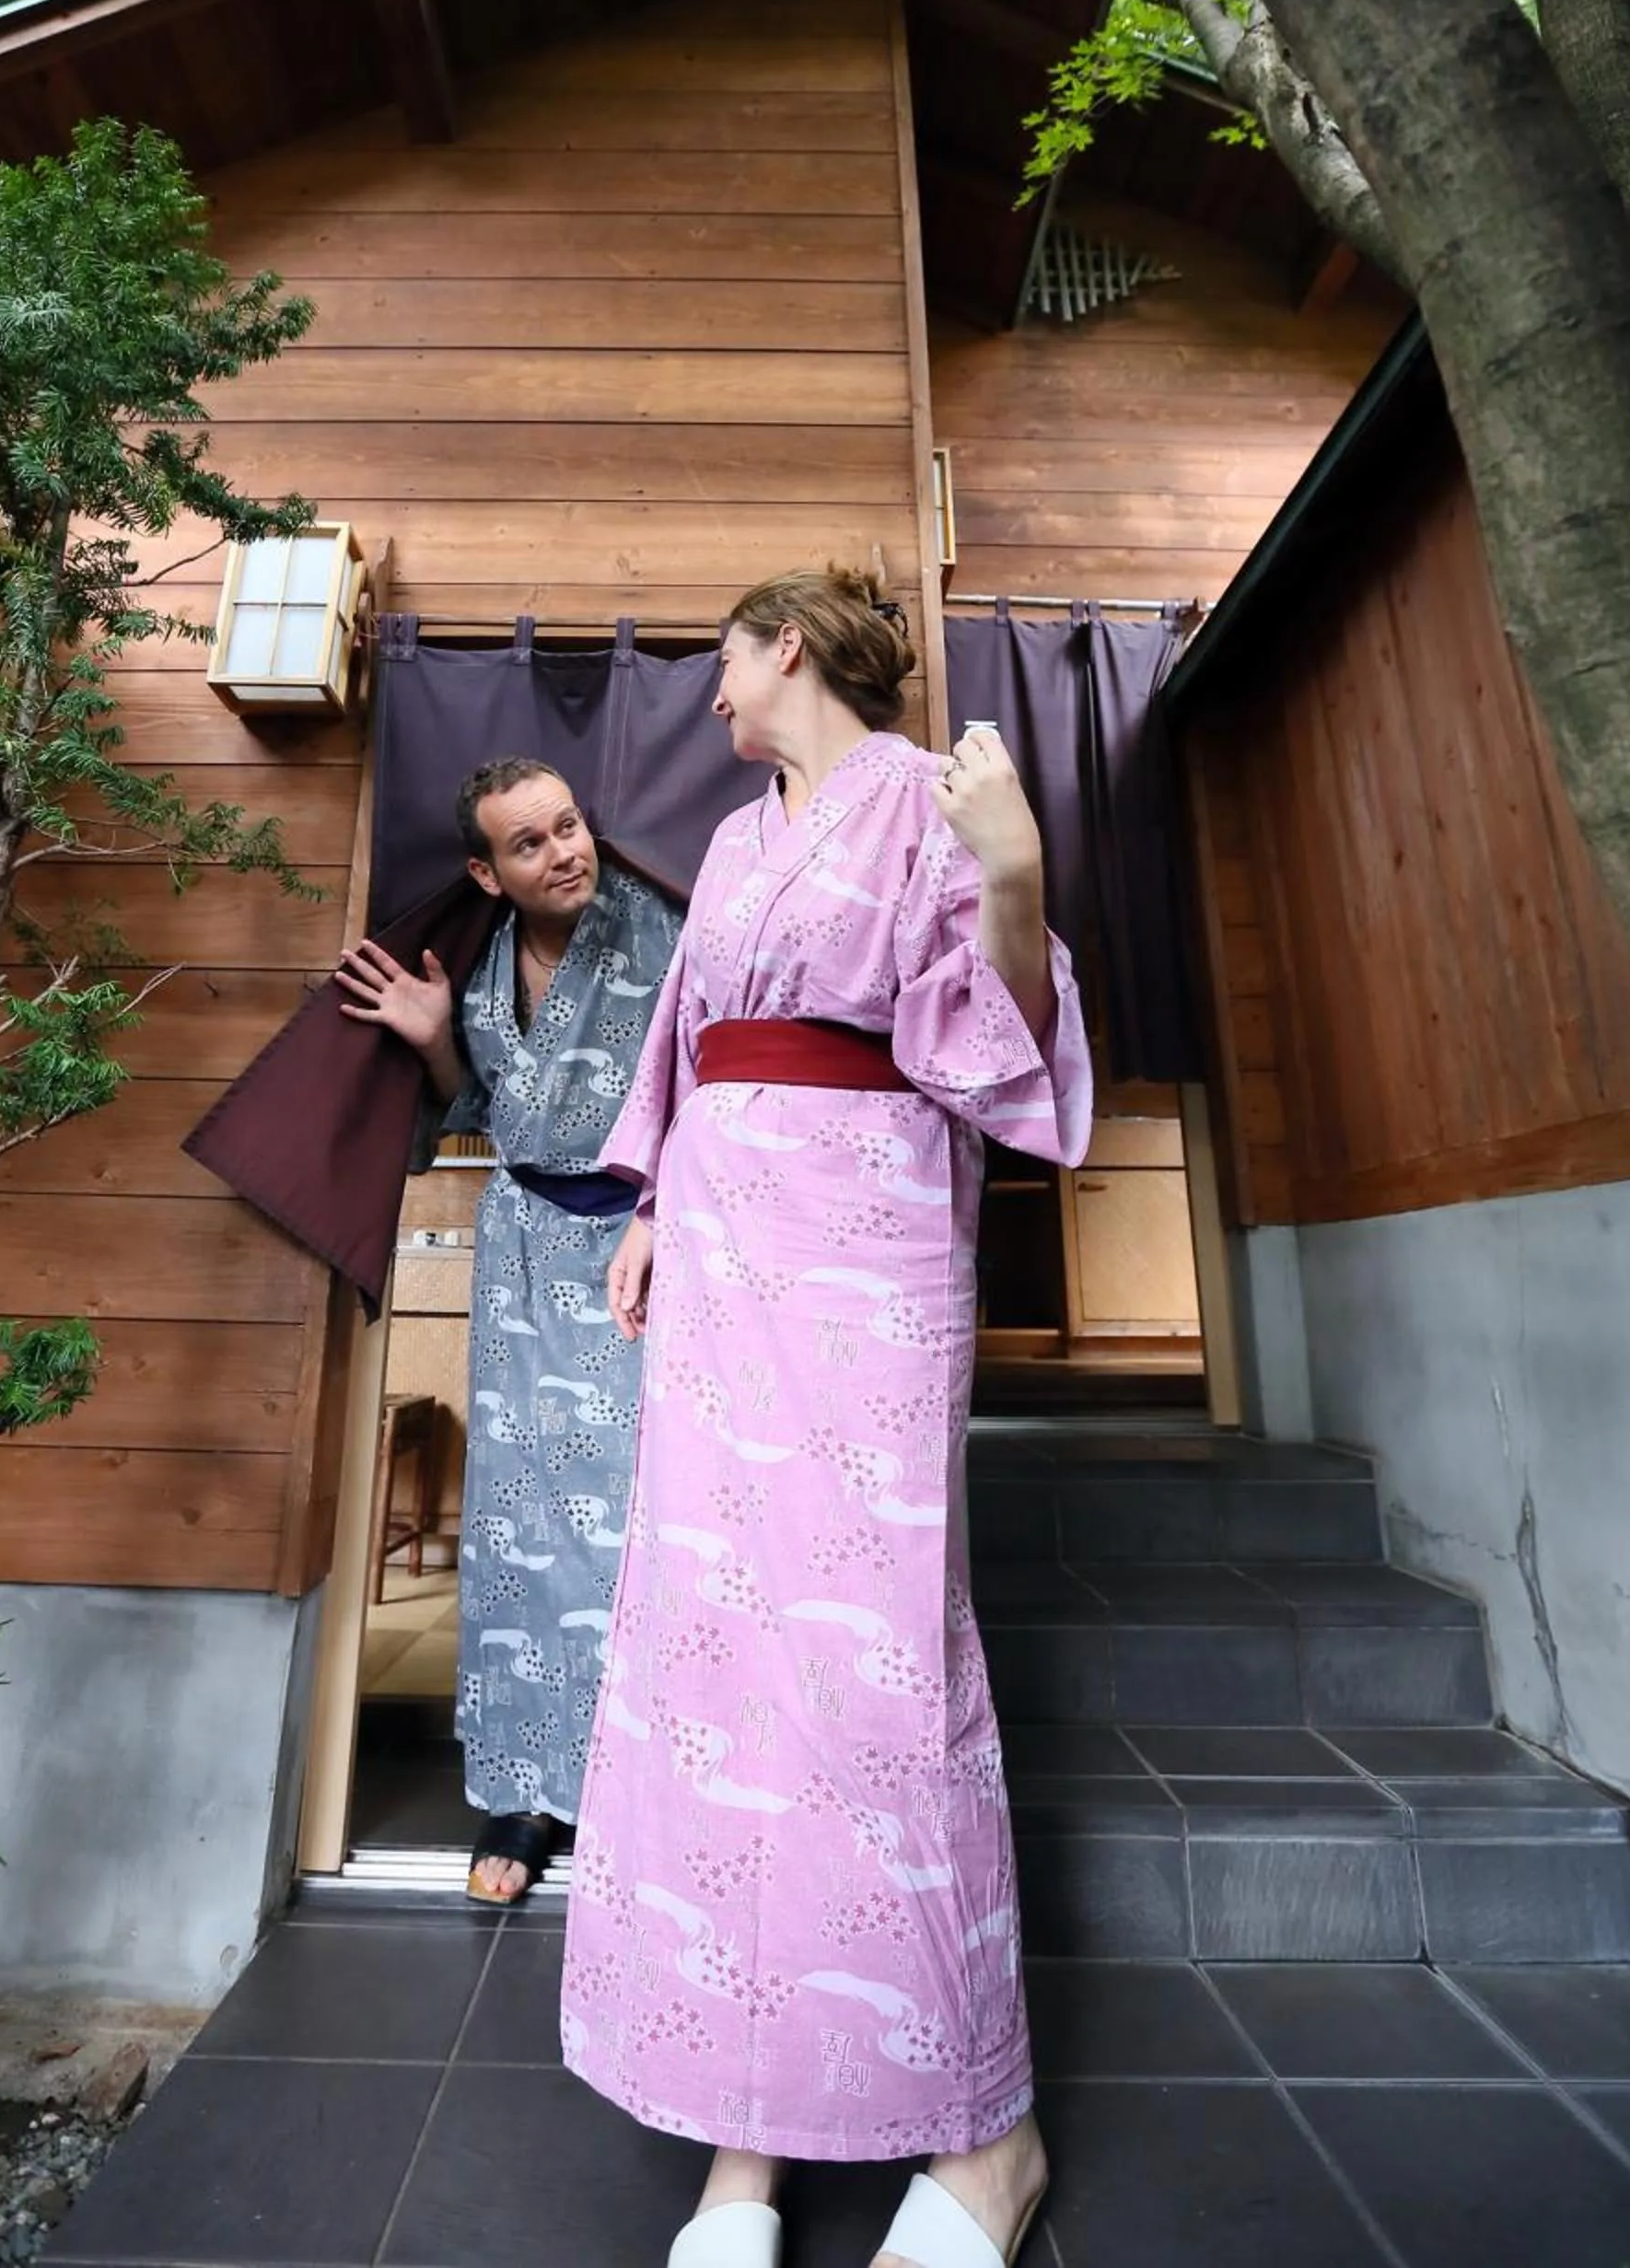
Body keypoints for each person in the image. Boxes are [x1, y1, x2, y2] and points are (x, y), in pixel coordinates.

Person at [557, 572, 1092, 2268]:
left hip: (866, 1254)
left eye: (721, 659)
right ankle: (748, 2143)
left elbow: (995, 1038)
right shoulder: (728, 845)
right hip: (720, 1247)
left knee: (869, 1664)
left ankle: (988, 2141)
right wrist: (646, 1201)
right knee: (717, 1659)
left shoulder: (930, 799)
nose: (711, 693)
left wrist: (1012, 873)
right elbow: (691, 1043)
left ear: (781, 644)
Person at [334, 758, 682, 1905]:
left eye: (569, 825)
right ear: (487, 870)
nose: (563, 852)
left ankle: (648, 1782)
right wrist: (437, 1040)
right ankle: (524, 1794)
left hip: (643, 1245)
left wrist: (661, 1214)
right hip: (521, 1244)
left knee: (640, 1519)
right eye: (528, 844)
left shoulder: (671, 931)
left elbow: (720, 1096)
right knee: (518, 1522)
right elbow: (482, 1109)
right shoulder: (479, 969)